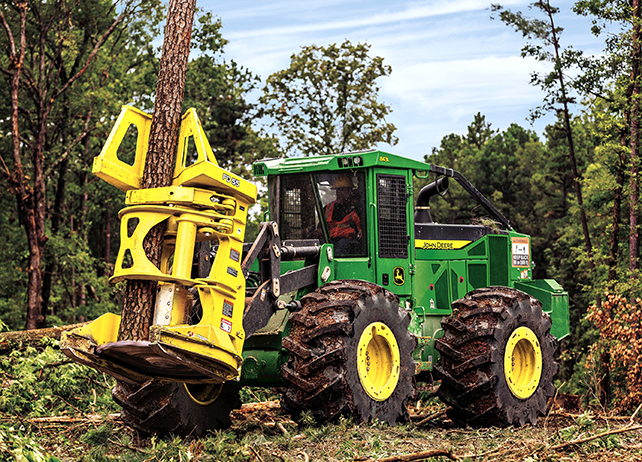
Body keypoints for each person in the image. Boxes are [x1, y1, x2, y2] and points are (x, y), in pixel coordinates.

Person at [325, 176, 362, 255]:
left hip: (348, 240)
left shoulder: (357, 207)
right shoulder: (328, 208)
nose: (351, 192)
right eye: (337, 190)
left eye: (342, 189)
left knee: (342, 246)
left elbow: (361, 226)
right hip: (331, 239)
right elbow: (321, 227)